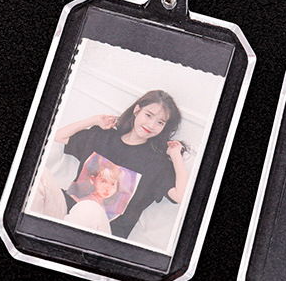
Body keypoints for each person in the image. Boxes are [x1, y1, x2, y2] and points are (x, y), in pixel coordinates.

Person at [48, 90, 190, 240]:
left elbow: (181, 196)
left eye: (160, 122)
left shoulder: (157, 164)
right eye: (148, 115)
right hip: (65, 210)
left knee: (89, 208)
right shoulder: (103, 136)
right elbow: (57, 136)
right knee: (42, 178)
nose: (151, 125)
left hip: (103, 233)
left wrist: (175, 156)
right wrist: (94, 120)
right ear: (137, 110)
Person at [64, 158, 123, 235]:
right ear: (93, 179)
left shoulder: (103, 206)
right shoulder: (88, 204)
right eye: (103, 181)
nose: (108, 188)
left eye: (113, 184)